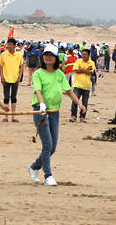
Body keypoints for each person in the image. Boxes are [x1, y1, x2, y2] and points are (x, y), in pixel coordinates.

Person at [28, 44, 86, 186]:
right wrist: (41, 104)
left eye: (51, 55)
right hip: (41, 112)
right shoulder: (38, 74)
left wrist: (79, 103)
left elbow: (69, 90)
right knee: (47, 145)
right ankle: (48, 176)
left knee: (53, 147)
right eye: (46, 55)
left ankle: (34, 167)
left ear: (55, 58)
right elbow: (38, 90)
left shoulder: (59, 74)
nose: (48, 57)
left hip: (54, 112)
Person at [0, 38, 25, 123]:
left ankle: (13, 116)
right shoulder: (3, 55)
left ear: (14, 45)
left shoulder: (19, 55)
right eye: (7, 44)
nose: (8, 46)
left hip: (15, 79)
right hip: (6, 78)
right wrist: (1, 77)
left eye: (10, 44)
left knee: (14, 98)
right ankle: (6, 116)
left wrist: (19, 77)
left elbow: (21, 66)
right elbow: (1, 66)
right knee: (6, 97)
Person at [70, 47, 96, 123]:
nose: (83, 56)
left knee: (85, 103)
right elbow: (76, 70)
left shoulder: (92, 62)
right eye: (82, 54)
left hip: (86, 86)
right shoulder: (78, 61)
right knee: (75, 101)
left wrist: (81, 69)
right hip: (77, 85)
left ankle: (82, 117)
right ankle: (73, 116)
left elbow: (91, 72)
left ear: (88, 55)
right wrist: (86, 69)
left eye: (85, 54)